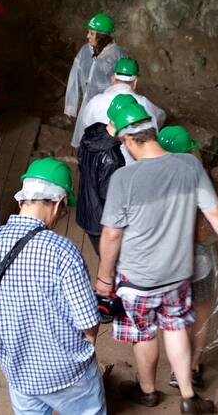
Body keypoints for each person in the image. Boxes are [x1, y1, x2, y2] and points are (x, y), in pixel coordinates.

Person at [95, 103, 218, 414]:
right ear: (151, 131)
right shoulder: (189, 165)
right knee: (175, 330)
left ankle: (147, 392)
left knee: (144, 334)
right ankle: (188, 397)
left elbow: (111, 235)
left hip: (137, 276)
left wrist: (105, 278)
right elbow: (215, 214)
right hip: (177, 273)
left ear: (129, 139)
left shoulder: (124, 178)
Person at [0, 157, 104, 415]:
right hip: (67, 372)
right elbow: (89, 322)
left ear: (22, 200)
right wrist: (84, 351)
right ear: (58, 203)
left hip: (17, 370)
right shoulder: (63, 251)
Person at [157, 125, 218, 389]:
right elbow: (203, 231)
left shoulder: (150, 181)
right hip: (197, 258)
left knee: (174, 315)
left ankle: (176, 369)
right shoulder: (198, 179)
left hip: (165, 260)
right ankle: (193, 365)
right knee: (201, 311)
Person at [74, 58, 166, 162]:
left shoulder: (94, 102)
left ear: (113, 78)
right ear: (135, 82)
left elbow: (83, 130)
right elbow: (161, 116)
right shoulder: (143, 103)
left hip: (100, 162)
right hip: (133, 165)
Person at [75, 94, 131, 255]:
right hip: (101, 221)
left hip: (85, 208)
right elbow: (110, 196)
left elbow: (81, 163)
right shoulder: (112, 158)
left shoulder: (91, 133)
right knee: (110, 258)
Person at [65, 13, 125, 147]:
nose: (88, 36)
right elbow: (74, 76)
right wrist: (71, 104)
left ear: (102, 36)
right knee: (84, 136)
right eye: (88, 32)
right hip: (88, 102)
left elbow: (124, 83)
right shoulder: (85, 51)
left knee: (104, 139)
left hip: (107, 106)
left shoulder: (117, 55)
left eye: (92, 33)